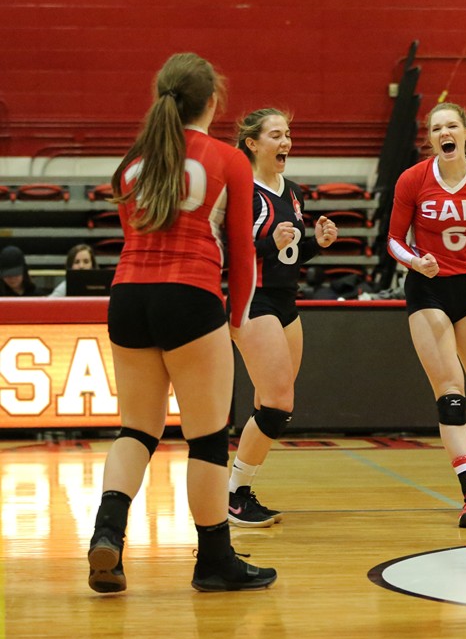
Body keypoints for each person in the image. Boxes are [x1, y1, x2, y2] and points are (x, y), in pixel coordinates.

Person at [86, 52, 276, 594]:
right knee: (209, 438)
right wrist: (237, 319)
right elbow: (242, 255)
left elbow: (132, 236)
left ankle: (108, 535)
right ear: (212, 101)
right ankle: (215, 560)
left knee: (137, 430)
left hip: (128, 296)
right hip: (190, 295)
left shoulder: (131, 162)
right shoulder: (228, 159)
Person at [387, 101, 466, 528]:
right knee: (451, 396)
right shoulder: (413, 179)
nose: (444, 133)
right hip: (427, 290)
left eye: (451, 125)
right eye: (437, 128)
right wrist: (416, 262)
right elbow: (393, 239)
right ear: (431, 138)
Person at [228, 109, 339, 527]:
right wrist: (265, 241)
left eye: (289, 134)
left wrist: (317, 244)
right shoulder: (240, 190)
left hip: (286, 302)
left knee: (271, 404)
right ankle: (234, 494)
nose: (286, 142)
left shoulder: (292, 192)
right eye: (276, 135)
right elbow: (232, 250)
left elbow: (287, 255)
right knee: (278, 403)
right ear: (253, 143)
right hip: (253, 299)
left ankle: (242, 491)